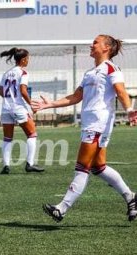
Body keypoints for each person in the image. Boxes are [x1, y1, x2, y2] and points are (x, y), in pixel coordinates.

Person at [31, 34, 137, 222]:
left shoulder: (111, 68)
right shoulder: (90, 73)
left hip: (98, 123)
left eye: (95, 42)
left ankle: (61, 208)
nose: (91, 45)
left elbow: (121, 91)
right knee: (98, 167)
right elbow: (75, 96)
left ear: (106, 48)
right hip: (91, 123)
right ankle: (131, 197)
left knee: (82, 167)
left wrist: (129, 109)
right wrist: (49, 105)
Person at [0, 47, 44, 174]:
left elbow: (1, 91)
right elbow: (23, 91)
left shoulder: (6, 73)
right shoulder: (23, 73)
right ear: (23, 60)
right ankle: (30, 164)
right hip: (18, 108)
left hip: (6, 108)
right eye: (28, 58)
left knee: (7, 138)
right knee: (32, 134)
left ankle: (6, 166)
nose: (28, 61)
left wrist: (10, 99)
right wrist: (31, 104)